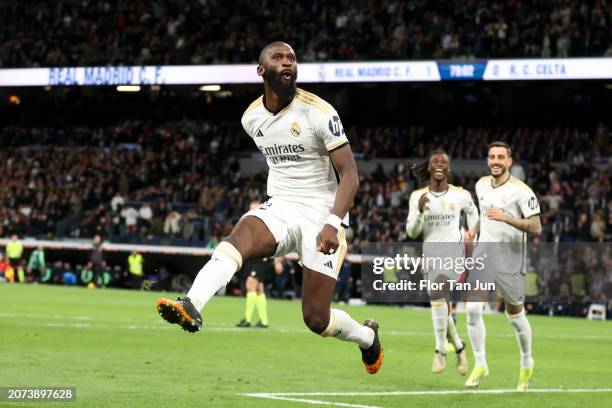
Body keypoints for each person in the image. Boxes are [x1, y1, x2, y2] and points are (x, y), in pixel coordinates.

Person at [157, 41, 383, 374]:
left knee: (316, 318)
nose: (288, 63)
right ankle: (192, 304)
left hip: (322, 214)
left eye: (292, 58)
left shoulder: (320, 112)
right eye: (278, 59)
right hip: (281, 206)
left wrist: (333, 223)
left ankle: (367, 337)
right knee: (238, 239)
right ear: (262, 71)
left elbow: (350, 175)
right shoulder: (251, 118)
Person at [464, 141, 542, 390]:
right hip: (485, 254)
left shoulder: (522, 192)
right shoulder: (481, 185)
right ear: (488, 160)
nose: (495, 161)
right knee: (472, 309)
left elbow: (536, 228)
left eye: (501, 157)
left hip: (511, 261)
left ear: (509, 161)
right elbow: (484, 214)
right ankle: (480, 363)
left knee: (515, 316)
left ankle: (527, 362)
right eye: (491, 157)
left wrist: (506, 217)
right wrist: (473, 231)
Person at [406, 150, 475, 376]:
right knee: (440, 305)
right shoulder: (417, 197)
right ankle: (459, 347)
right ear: (429, 167)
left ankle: (439, 351)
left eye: (443, 162)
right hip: (430, 256)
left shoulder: (461, 195)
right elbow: (412, 232)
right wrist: (418, 212)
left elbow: (474, 216)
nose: (439, 165)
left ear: (448, 169)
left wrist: (472, 234)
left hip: (454, 255)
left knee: (438, 294)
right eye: (435, 161)